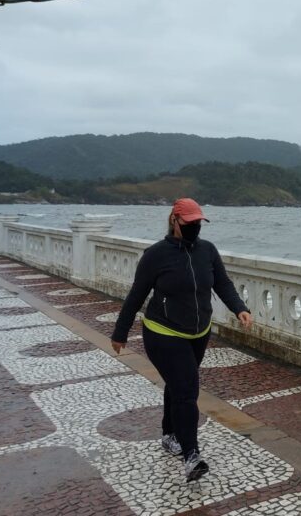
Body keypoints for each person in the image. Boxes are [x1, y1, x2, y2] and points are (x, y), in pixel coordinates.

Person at [111, 198, 252, 482]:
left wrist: (240, 307)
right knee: (187, 389)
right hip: (163, 332)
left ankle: (169, 434)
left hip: (198, 332)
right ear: (174, 221)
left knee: (178, 385)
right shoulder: (155, 255)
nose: (195, 227)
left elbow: (222, 283)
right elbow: (137, 294)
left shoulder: (208, 251)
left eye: (198, 222)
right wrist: (120, 331)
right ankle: (191, 455)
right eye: (189, 223)